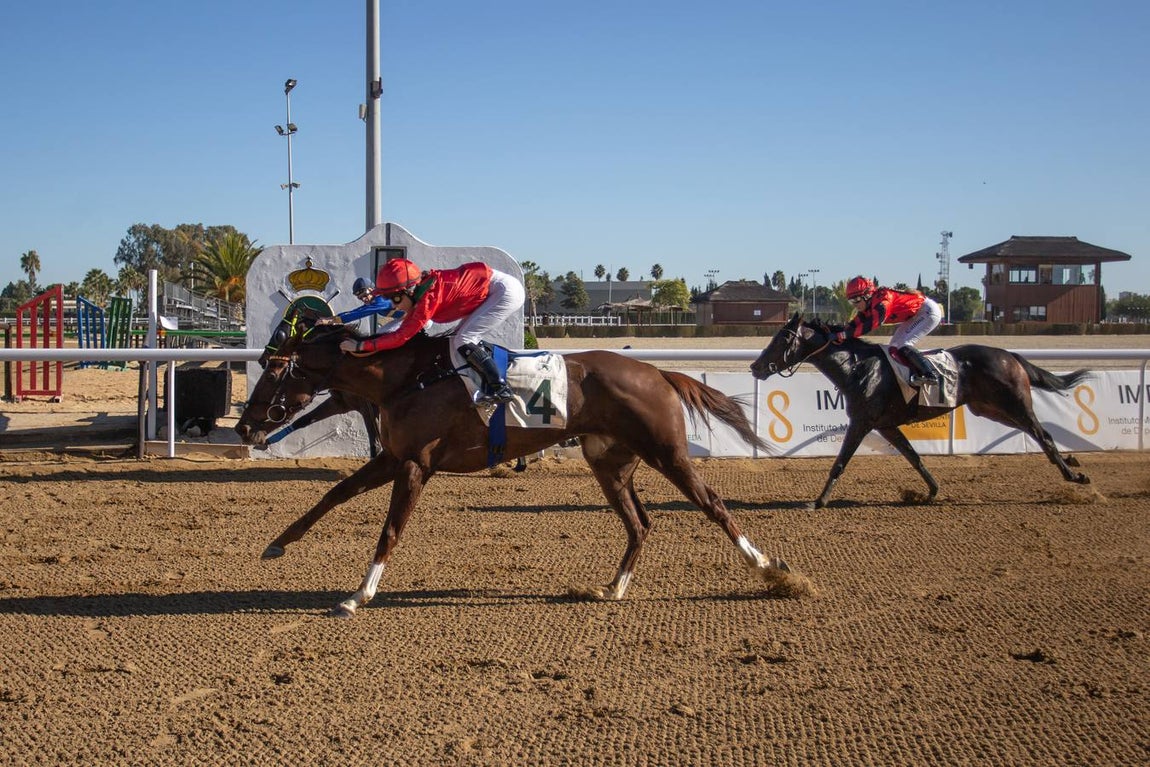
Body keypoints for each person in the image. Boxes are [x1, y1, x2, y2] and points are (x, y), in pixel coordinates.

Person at [339, 258, 525, 404]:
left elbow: (401, 336)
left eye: (393, 298)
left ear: (408, 291)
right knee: (456, 339)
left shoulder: (427, 300)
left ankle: (500, 388)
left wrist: (360, 345)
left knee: (464, 339)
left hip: (504, 292)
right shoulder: (420, 293)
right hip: (492, 288)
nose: (393, 304)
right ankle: (479, 383)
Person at [833, 276, 943, 385]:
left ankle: (930, 374)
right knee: (893, 347)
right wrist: (838, 332)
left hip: (927, 312)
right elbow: (857, 322)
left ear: (867, 295)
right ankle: (912, 373)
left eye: (856, 300)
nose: (855, 305)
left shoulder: (883, 302)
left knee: (903, 344)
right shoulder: (870, 303)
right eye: (851, 301)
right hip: (916, 314)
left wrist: (844, 335)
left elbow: (871, 324)